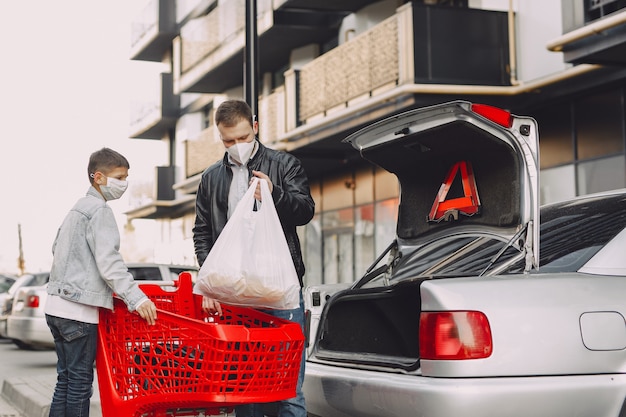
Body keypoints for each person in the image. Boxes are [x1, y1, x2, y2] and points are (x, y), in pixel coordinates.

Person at [193, 99, 315, 417]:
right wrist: (209, 282)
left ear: (255, 128)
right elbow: (203, 233)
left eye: (244, 138)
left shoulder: (284, 164)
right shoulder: (210, 178)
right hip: (235, 295)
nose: (237, 146)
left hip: (279, 292)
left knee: (287, 387)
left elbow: (305, 211)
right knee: (245, 389)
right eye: (228, 141)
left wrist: (275, 194)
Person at [45, 147, 158, 417]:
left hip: (55, 307)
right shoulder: (99, 211)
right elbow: (110, 263)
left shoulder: (76, 209)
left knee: (66, 380)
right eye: (119, 177)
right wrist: (137, 297)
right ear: (98, 177)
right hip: (78, 311)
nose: (124, 184)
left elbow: (55, 248)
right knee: (80, 385)